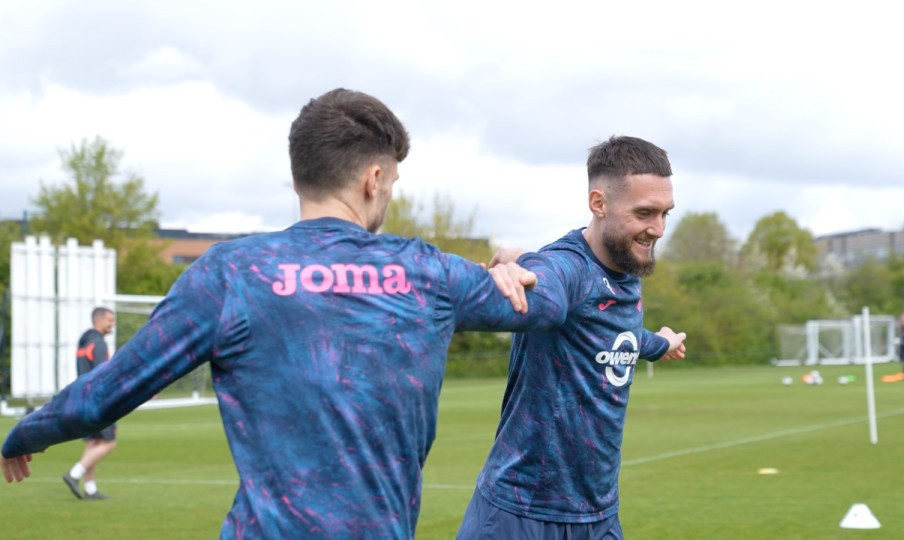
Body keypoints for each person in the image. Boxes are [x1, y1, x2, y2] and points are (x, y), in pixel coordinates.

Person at [2, 88, 566, 539]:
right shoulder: (428, 273)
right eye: (392, 181)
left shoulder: (232, 273)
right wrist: (524, 261)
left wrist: (25, 433)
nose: (388, 194)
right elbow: (551, 303)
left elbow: (110, 389)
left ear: (299, 175)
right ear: (374, 178)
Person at [457, 135, 687, 539]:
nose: (659, 229)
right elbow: (547, 291)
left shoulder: (625, 269)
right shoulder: (567, 268)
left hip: (598, 515)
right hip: (521, 514)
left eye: (666, 213)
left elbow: (621, 339)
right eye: (646, 213)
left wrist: (661, 343)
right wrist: (523, 269)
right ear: (598, 203)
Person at [61, 307, 117, 500]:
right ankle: (74, 474)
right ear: (98, 320)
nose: (112, 324)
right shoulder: (99, 344)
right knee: (109, 443)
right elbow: (102, 375)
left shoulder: (84, 343)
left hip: (82, 399)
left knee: (93, 442)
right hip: (98, 401)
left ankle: (90, 488)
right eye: (110, 320)